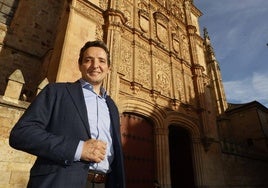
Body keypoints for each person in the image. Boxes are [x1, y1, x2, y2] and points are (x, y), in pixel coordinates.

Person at [9, 40, 125, 188]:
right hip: (60, 181)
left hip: (104, 183)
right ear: (80, 65)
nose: (95, 65)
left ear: (108, 68)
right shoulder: (56, 92)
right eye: (88, 60)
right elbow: (21, 134)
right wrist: (77, 148)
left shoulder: (112, 106)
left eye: (101, 61)